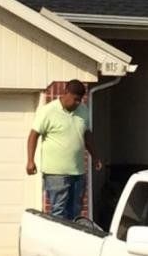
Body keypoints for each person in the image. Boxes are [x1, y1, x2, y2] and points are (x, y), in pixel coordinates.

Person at [26, 79, 102, 220]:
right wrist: (30, 161)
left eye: (80, 100)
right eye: (75, 99)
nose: (77, 103)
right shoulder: (48, 111)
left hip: (78, 172)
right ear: (65, 93)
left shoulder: (83, 111)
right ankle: (54, 241)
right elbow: (33, 136)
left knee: (75, 212)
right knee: (58, 211)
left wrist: (95, 157)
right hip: (56, 173)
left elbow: (87, 135)